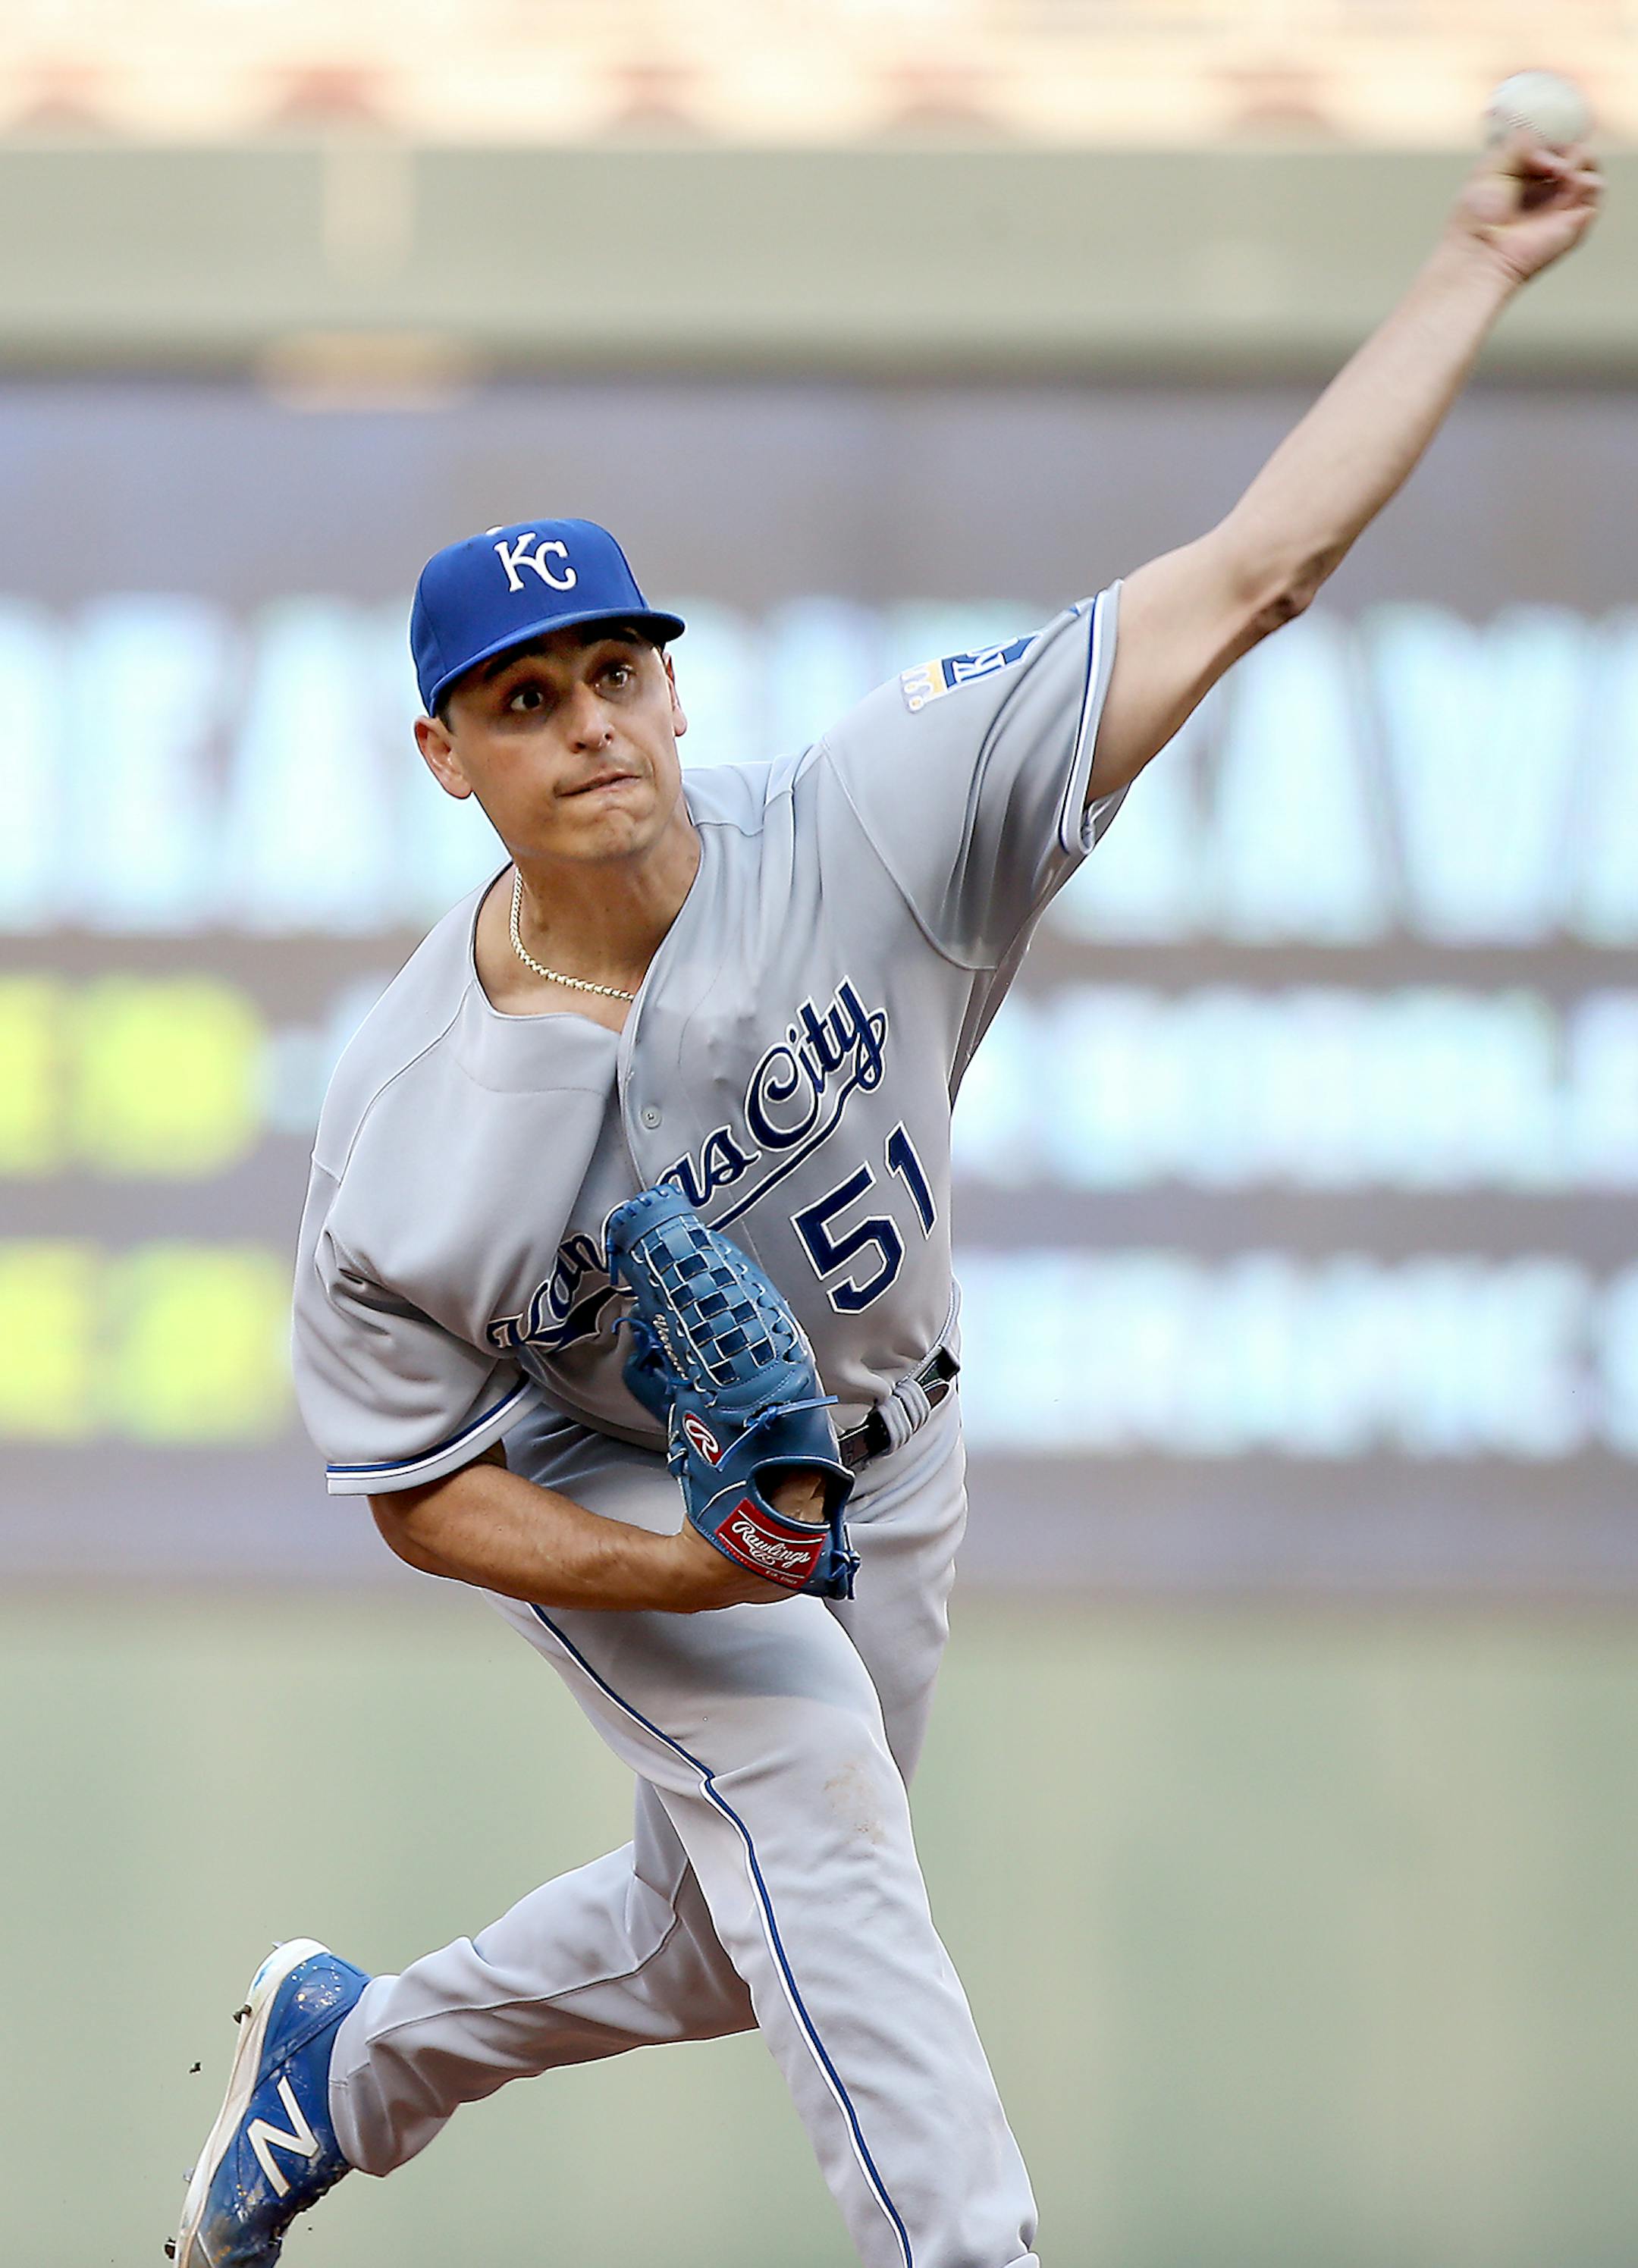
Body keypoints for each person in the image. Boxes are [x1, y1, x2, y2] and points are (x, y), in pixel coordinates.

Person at [171, 133, 1599, 2268]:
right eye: (523, 699)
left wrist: (1477, 266)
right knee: (817, 1803)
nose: (589, 724)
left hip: (892, 1454)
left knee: (714, 1936)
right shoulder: (406, 1124)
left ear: (676, 680)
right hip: (630, 1489)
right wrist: (694, 1586)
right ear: (443, 756)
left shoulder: (870, 824)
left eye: (615, 670)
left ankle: (349, 2059)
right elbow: (416, 1487)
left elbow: (1253, 570)